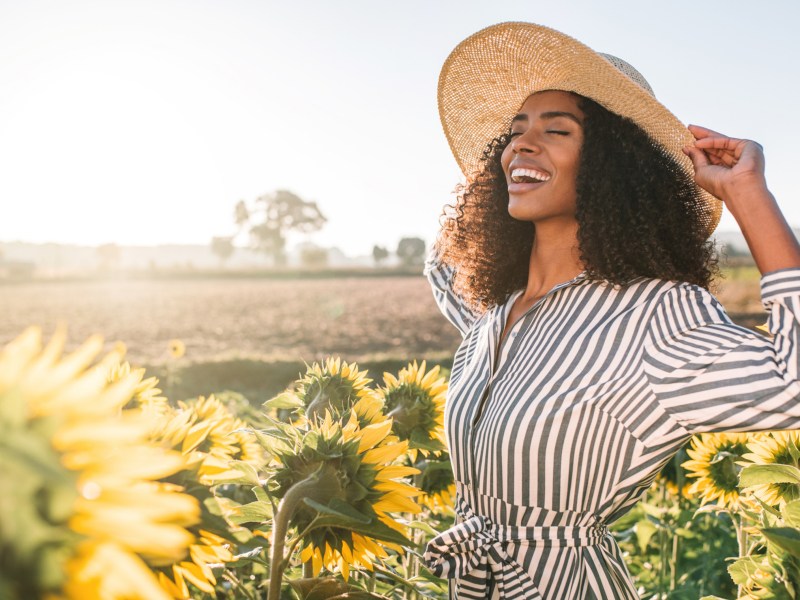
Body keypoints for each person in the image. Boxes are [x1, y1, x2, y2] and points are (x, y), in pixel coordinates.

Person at [421, 22, 800, 600]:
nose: (520, 143)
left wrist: (749, 195)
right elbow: (442, 261)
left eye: (557, 130)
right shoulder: (491, 312)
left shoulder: (655, 317)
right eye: (515, 130)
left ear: (612, 167)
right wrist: (494, 184)